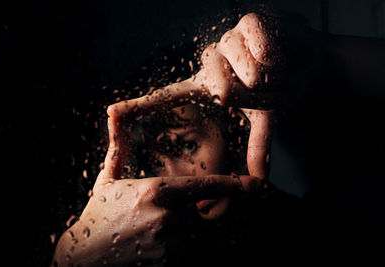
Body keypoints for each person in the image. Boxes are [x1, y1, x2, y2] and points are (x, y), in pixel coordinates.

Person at [52, 11, 385, 267]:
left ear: (235, 132)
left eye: (186, 145)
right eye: (153, 162)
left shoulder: (329, 225)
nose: (173, 176)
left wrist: (325, 53)